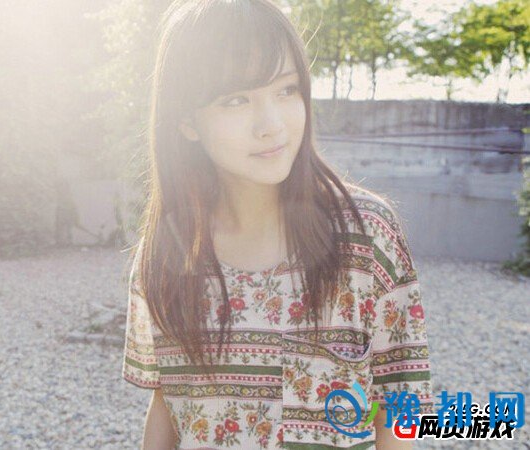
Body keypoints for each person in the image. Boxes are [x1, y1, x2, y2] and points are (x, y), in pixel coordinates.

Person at [121, 1, 433, 448]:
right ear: (187, 121)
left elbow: (399, 405)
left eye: (287, 90)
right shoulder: (169, 250)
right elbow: (166, 403)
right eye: (236, 100)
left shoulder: (366, 237)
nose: (271, 125)